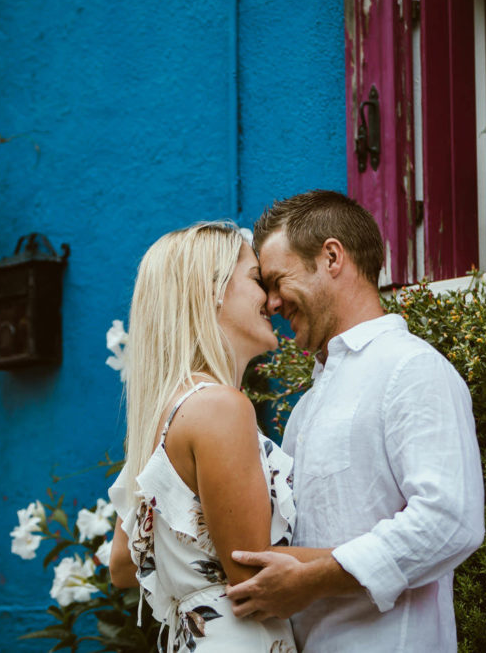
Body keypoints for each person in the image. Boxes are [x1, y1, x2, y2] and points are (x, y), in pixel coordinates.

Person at [225, 190, 485, 652]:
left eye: (277, 280)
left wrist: (314, 581)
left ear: (331, 258)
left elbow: (449, 521)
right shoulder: (306, 407)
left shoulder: (411, 369)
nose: (271, 303)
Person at [107, 222, 309, 653]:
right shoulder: (220, 406)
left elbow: (122, 565)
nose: (271, 300)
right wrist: (375, 553)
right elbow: (251, 570)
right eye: (257, 280)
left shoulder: (163, 417)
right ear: (211, 289)